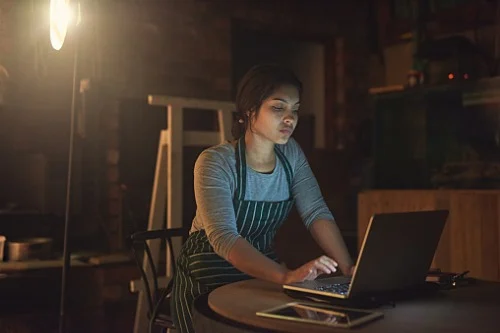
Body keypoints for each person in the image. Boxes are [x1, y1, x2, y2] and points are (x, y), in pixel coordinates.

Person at [171, 64, 354, 333]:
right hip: (207, 278)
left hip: (260, 275)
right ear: (249, 110)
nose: (290, 118)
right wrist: (285, 276)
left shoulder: (291, 155)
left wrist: (350, 270)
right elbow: (223, 237)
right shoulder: (215, 162)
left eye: (295, 109)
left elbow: (316, 211)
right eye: (278, 108)